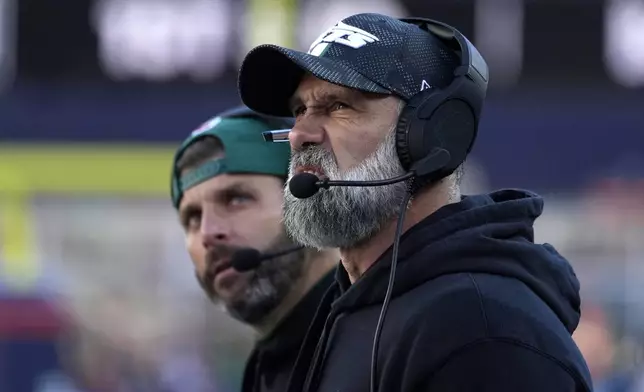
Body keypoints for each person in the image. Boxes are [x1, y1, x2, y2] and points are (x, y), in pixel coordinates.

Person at [236, 13, 593, 392]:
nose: (299, 134)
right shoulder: (348, 308)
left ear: (430, 134)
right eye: (299, 110)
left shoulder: (483, 333)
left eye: (338, 106)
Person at [170, 106, 338, 392]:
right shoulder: (267, 369)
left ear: (311, 203)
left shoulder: (384, 341)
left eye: (236, 199)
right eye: (193, 218)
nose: (208, 233)